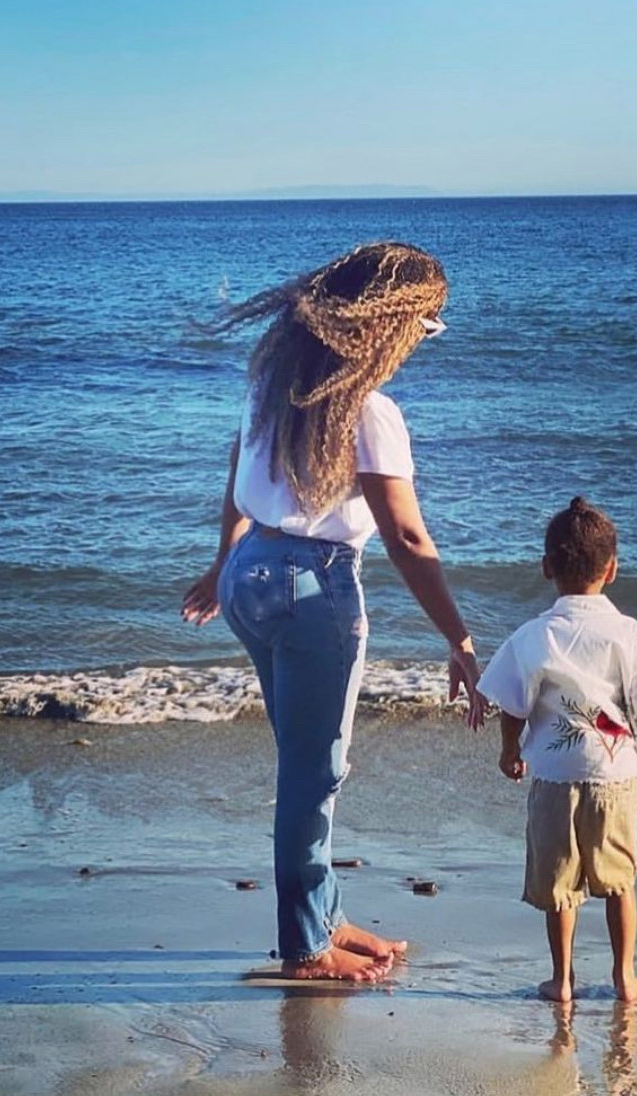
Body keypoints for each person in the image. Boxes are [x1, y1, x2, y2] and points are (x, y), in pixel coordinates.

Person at [181, 242, 483, 983]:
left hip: (251, 580)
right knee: (313, 776)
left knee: (305, 762)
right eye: (423, 328)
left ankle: (323, 915)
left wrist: (224, 563)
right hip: (312, 590)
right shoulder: (369, 413)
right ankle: (304, 947)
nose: (421, 344)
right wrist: (460, 639)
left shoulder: (273, 383)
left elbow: (236, 472)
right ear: (386, 329)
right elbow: (408, 537)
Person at [476, 497, 637, 1003]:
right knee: (620, 880)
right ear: (612, 569)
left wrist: (509, 750)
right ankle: (625, 977)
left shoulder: (533, 635)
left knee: (560, 883)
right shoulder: (626, 631)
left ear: (547, 567)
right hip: (614, 775)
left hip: (553, 775)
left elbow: (513, 704)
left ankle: (562, 979)